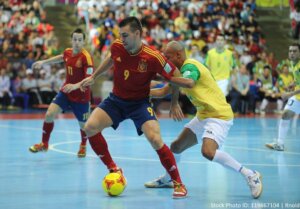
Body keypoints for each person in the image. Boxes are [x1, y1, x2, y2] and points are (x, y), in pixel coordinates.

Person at [80, 17, 187, 199]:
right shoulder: (117, 46)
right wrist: (95, 76)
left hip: (140, 103)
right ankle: (114, 168)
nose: (121, 39)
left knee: (154, 138)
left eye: (125, 35)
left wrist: (175, 101)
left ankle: (178, 182)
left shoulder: (153, 57)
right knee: (90, 127)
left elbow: (175, 75)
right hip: (116, 101)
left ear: (137, 33)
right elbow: (111, 58)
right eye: (120, 35)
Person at [144, 41, 263, 199]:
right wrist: (140, 91)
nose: (165, 59)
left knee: (208, 152)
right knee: (176, 146)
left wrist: (167, 78)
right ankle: (168, 179)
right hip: (204, 115)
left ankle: (250, 174)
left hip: (218, 115)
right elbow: (164, 90)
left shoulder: (190, 66)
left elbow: (190, 82)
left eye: (168, 56)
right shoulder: (178, 73)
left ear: (178, 55)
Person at [29, 28, 94, 158]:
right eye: (74, 39)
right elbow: (61, 57)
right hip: (66, 93)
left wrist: (75, 86)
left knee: (83, 126)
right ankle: (44, 144)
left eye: (79, 40)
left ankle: (83, 145)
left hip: (81, 96)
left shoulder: (87, 58)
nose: (77, 42)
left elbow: (90, 80)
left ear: (83, 41)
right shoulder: (68, 52)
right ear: (71, 40)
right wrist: (44, 62)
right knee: (49, 114)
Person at [266, 43, 300, 151]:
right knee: (285, 114)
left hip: (295, 94)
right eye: (290, 51)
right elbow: (298, 78)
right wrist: (293, 83)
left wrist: (290, 94)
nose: (292, 53)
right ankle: (280, 144)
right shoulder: (292, 63)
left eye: (295, 51)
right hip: (298, 97)